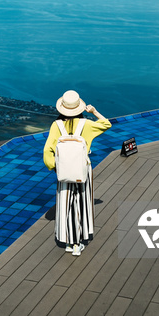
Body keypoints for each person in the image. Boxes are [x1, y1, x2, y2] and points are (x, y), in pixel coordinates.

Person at [43, 89, 111, 256]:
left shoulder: (56, 125)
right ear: (79, 108)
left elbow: (47, 152)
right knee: (81, 203)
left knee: (66, 204)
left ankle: (67, 241)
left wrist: (55, 167)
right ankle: (78, 243)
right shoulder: (86, 125)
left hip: (64, 170)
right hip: (82, 170)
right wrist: (94, 111)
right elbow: (106, 124)